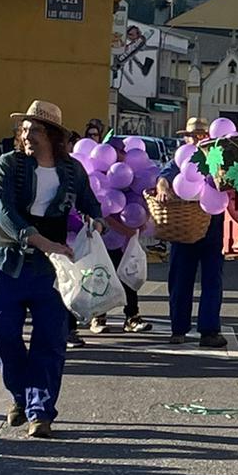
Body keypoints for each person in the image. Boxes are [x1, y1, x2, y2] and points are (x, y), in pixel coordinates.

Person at [0, 100, 103, 438]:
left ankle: (40, 413)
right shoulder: (8, 164)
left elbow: (90, 203)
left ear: (52, 135)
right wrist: (43, 243)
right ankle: (21, 395)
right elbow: (6, 214)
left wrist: (97, 221)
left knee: (50, 340)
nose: (26, 134)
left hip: (53, 270)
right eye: (23, 129)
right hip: (8, 261)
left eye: (34, 128)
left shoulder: (72, 170)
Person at [155, 116, 227, 349]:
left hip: (213, 226)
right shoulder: (180, 158)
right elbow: (163, 179)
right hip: (184, 228)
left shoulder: (217, 158)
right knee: (180, 280)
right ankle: (178, 329)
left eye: (198, 135)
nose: (193, 139)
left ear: (207, 137)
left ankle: (209, 331)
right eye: (190, 136)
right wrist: (163, 190)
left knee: (212, 279)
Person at [85, 136, 152, 335]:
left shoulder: (131, 174)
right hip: (106, 238)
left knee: (128, 276)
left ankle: (132, 316)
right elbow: (102, 211)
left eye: (123, 150)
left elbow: (141, 199)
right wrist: (126, 230)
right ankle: (98, 317)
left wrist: (143, 220)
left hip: (125, 239)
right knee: (102, 275)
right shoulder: (100, 178)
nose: (122, 154)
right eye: (118, 151)